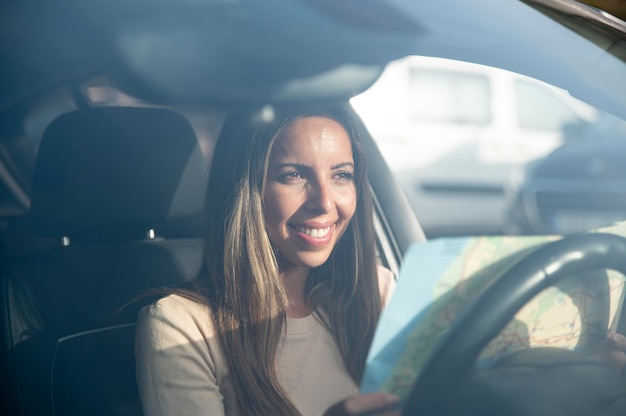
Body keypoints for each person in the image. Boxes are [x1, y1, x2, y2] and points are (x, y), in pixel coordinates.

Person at [135, 107, 400, 416]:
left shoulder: (375, 291)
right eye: (293, 175)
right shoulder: (180, 325)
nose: (325, 203)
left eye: (341, 175)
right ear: (247, 190)